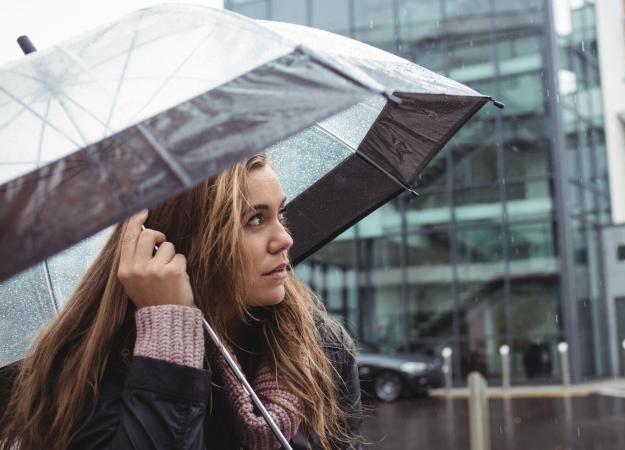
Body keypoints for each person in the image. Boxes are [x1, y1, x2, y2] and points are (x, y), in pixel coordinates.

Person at [0, 153, 362, 450]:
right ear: (181, 242)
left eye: (278, 214)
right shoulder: (90, 370)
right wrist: (167, 337)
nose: (284, 238)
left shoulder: (322, 349)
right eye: (254, 219)